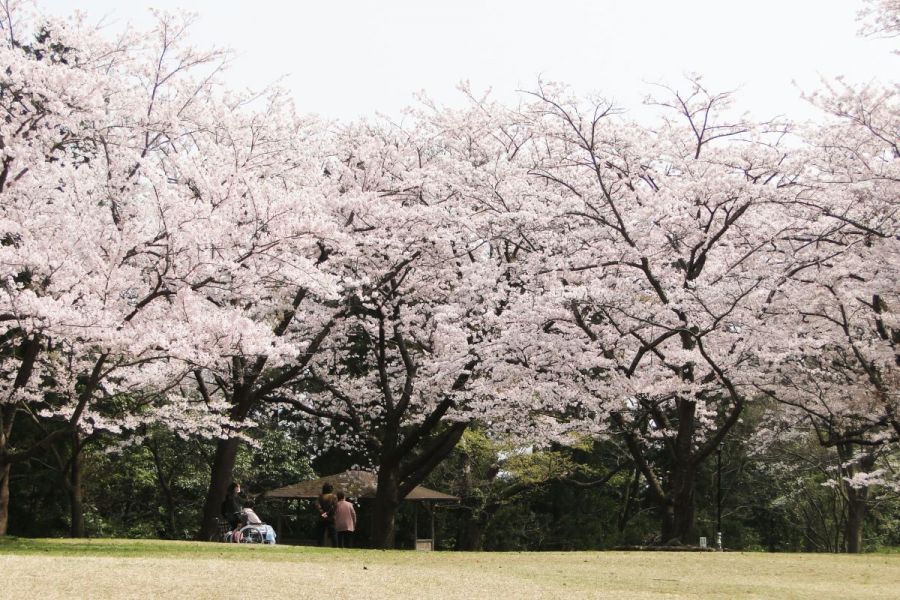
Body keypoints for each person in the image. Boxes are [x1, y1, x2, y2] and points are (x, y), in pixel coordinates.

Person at [316, 482, 338, 547]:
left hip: (321, 517)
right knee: (333, 533)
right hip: (331, 518)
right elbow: (334, 507)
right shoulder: (334, 497)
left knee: (320, 533)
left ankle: (320, 546)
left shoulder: (320, 497)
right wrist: (327, 513)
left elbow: (317, 506)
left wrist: (323, 513)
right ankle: (335, 546)